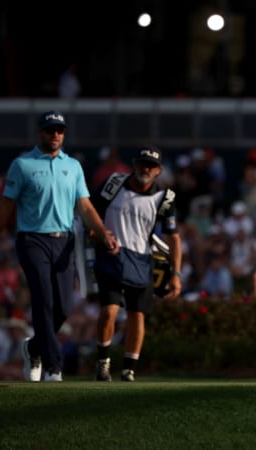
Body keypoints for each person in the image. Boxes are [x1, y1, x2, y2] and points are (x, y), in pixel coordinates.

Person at [0, 110, 120, 382]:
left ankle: (33, 347)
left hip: (65, 241)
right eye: (50, 130)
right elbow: (4, 208)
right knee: (43, 299)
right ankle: (53, 368)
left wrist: (103, 234)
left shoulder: (74, 166)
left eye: (60, 130)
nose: (55, 135)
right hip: (32, 240)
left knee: (64, 308)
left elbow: (85, 207)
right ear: (39, 133)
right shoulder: (22, 165)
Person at [92, 147, 181, 382]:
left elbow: (173, 236)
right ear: (134, 164)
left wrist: (176, 272)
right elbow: (91, 212)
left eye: (151, 165)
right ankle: (103, 362)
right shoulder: (113, 184)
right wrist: (99, 235)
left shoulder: (164, 197)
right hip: (111, 256)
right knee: (109, 311)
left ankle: (129, 368)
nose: (146, 169)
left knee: (137, 315)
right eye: (142, 163)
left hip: (141, 259)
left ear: (159, 170)